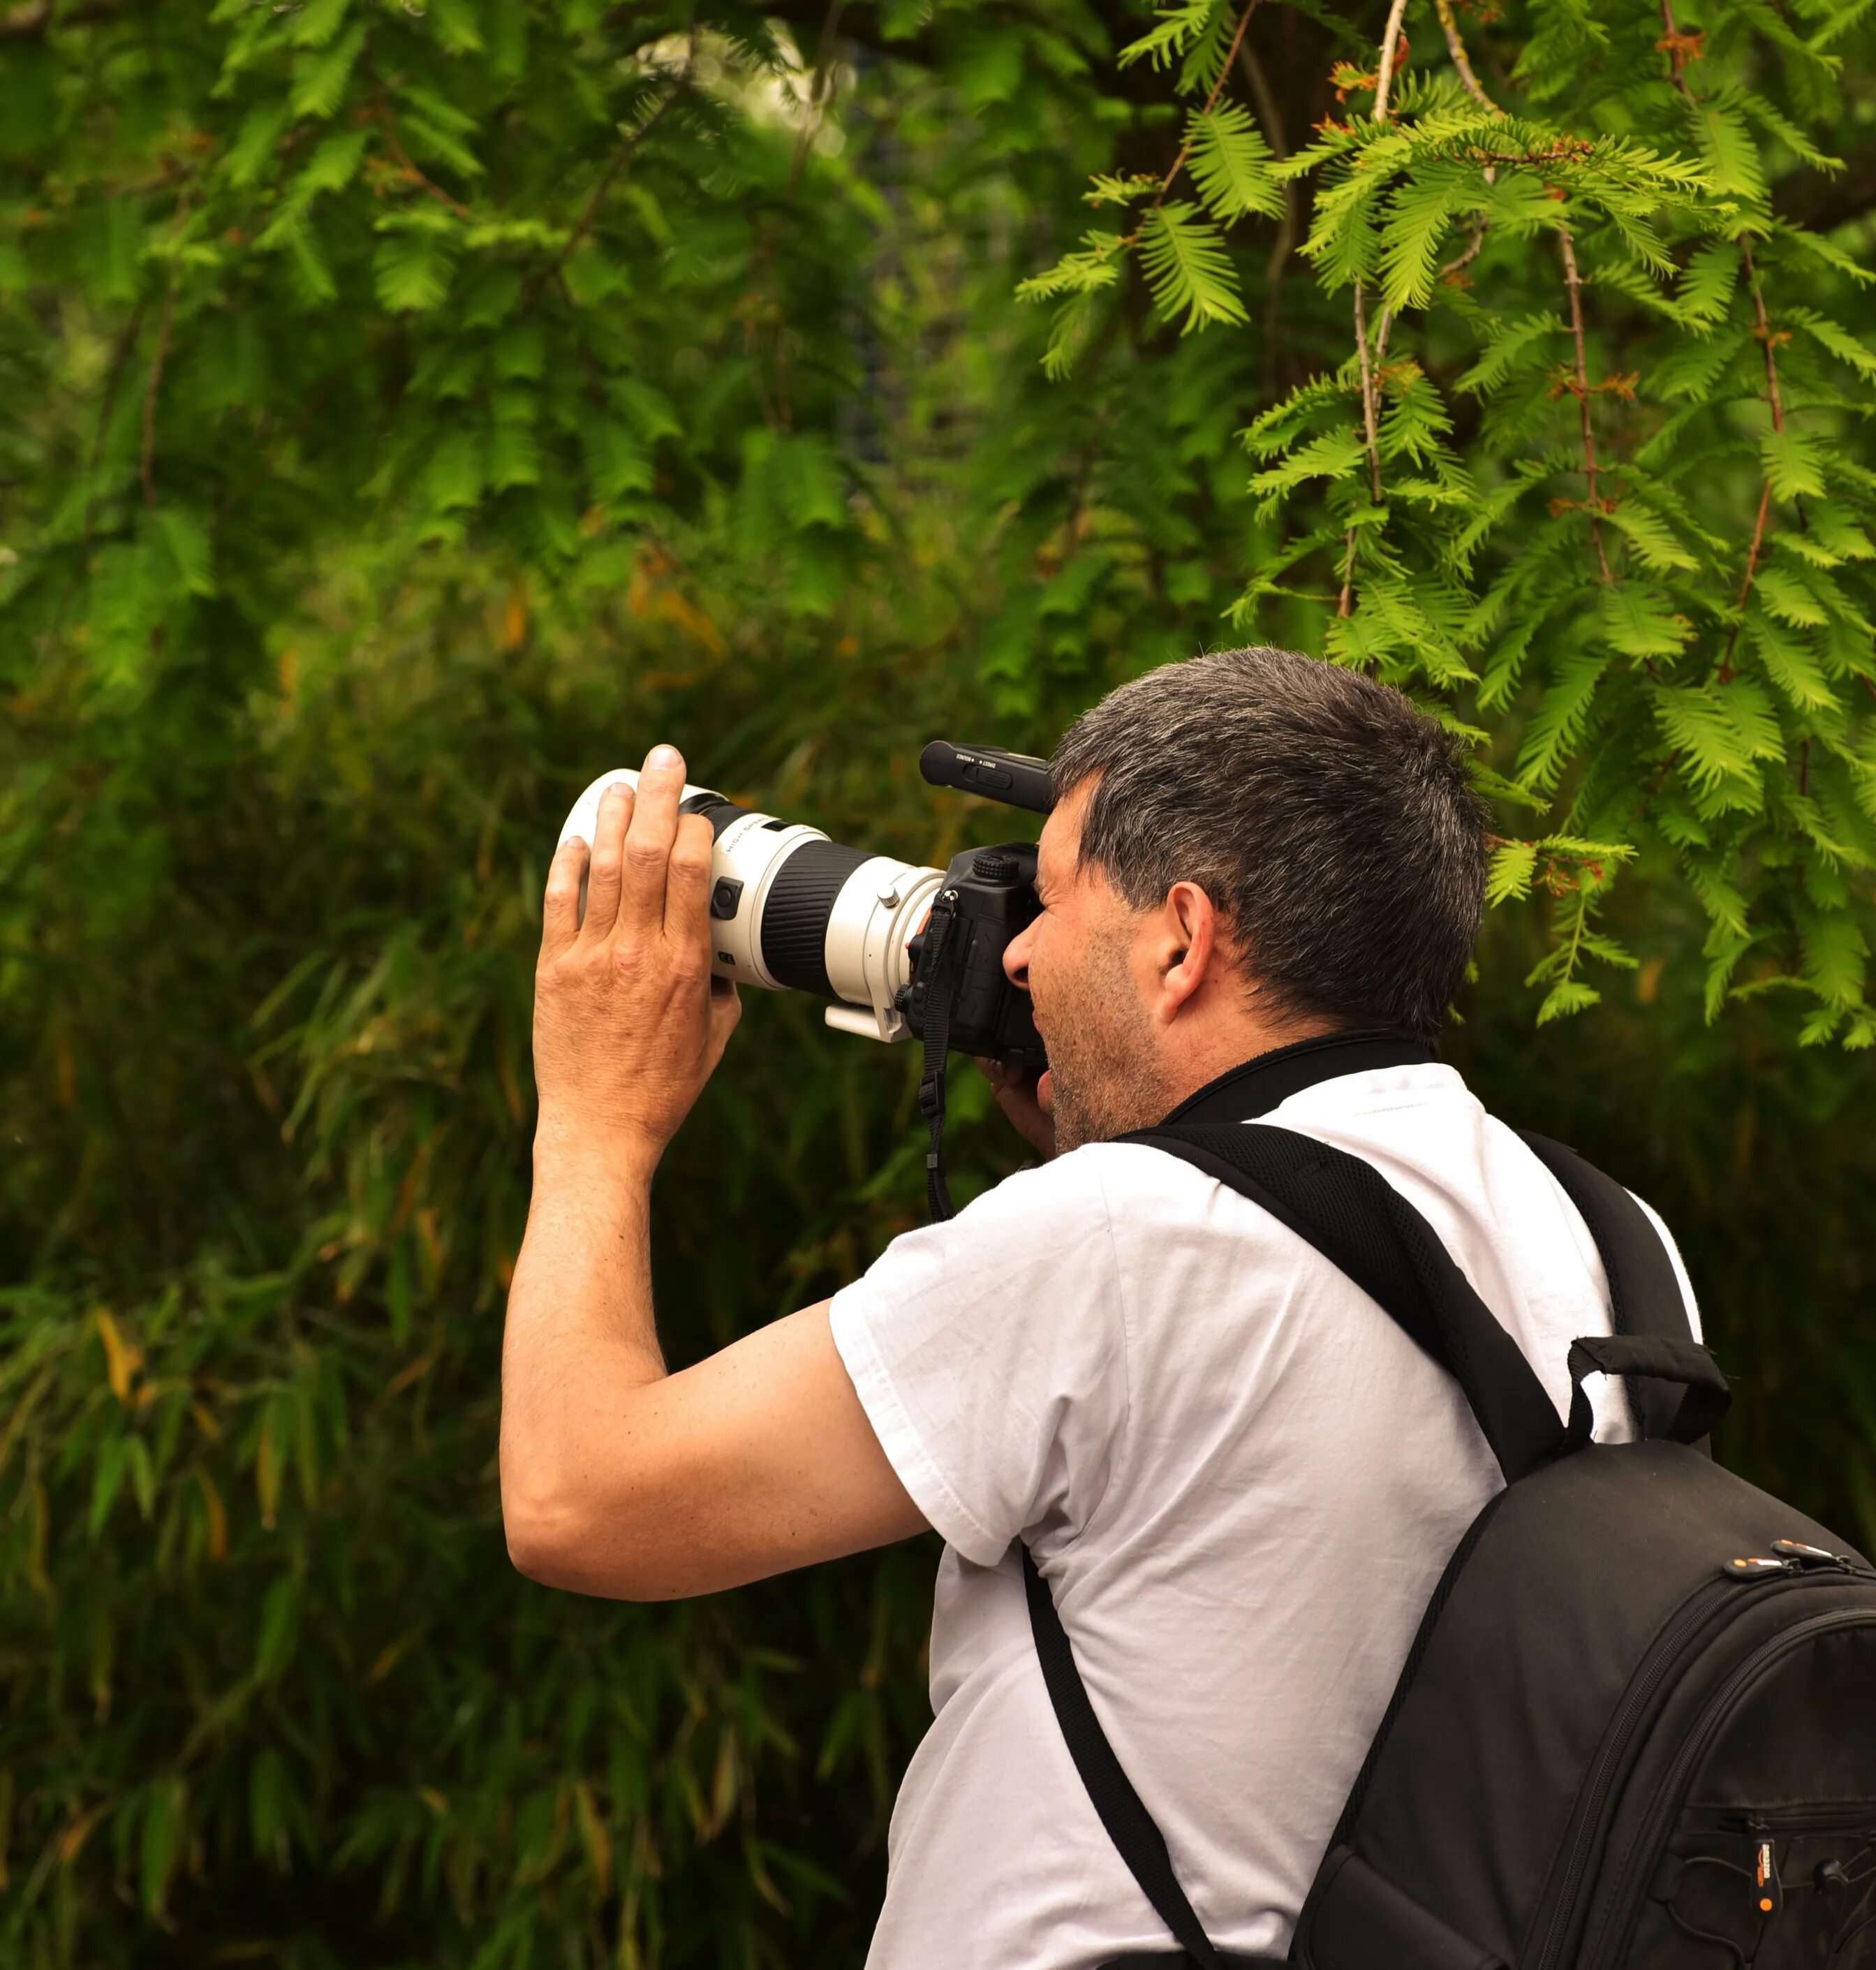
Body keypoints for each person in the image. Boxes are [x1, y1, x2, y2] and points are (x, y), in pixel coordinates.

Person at [501, 645, 1701, 1969]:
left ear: (1182, 938)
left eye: (1055, 902)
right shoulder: (1612, 1240)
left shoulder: (1119, 1243)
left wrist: (596, 1120)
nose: (1012, 953)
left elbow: (578, 1498)